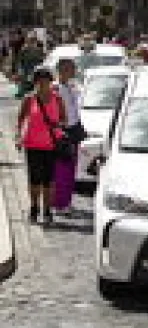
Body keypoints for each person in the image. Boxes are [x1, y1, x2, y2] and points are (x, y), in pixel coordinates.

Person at [16, 68, 66, 224]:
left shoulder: (57, 99)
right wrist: (18, 136)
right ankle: (34, 208)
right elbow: (21, 118)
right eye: (39, 81)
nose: (43, 84)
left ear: (50, 82)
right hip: (32, 145)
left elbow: (64, 120)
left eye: (46, 81)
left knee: (49, 181)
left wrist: (57, 125)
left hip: (51, 145)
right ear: (35, 82)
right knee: (34, 180)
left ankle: (47, 210)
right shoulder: (29, 99)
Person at [50, 58, 83, 217]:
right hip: (64, 133)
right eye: (72, 68)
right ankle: (60, 204)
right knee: (62, 170)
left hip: (73, 131)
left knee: (70, 170)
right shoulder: (55, 89)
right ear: (63, 70)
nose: (75, 71)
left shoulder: (69, 87)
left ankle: (66, 202)